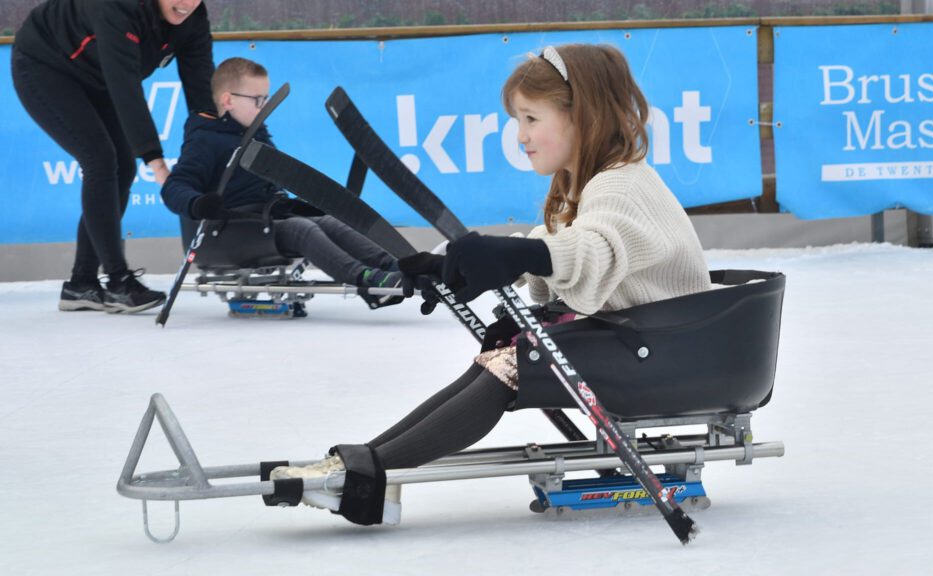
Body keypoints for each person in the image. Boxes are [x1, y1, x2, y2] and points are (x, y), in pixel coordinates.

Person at [269, 44, 712, 525]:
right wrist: (446, 266)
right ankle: (369, 462)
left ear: (581, 116)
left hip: (666, 355)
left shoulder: (619, 185)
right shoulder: (593, 183)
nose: (520, 136)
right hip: (649, 345)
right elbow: (552, 243)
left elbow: (593, 251)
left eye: (530, 118)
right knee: (505, 355)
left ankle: (373, 469)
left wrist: (519, 256)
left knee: (518, 361)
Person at [11, 0, 215, 314]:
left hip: (96, 73)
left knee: (123, 169)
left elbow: (201, 91)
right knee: (101, 160)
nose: (187, 2)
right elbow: (126, 87)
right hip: (45, 63)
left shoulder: (194, 19)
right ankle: (118, 280)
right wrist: (157, 164)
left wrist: (217, 149)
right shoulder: (119, 6)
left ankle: (81, 283)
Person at [160, 57, 404, 307]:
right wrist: (197, 203)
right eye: (257, 100)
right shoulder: (206, 140)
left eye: (265, 99)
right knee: (301, 229)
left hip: (261, 219)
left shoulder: (256, 135)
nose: (264, 106)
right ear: (228, 100)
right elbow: (174, 187)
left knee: (329, 223)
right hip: (224, 232)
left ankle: (397, 268)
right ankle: (368, 281)